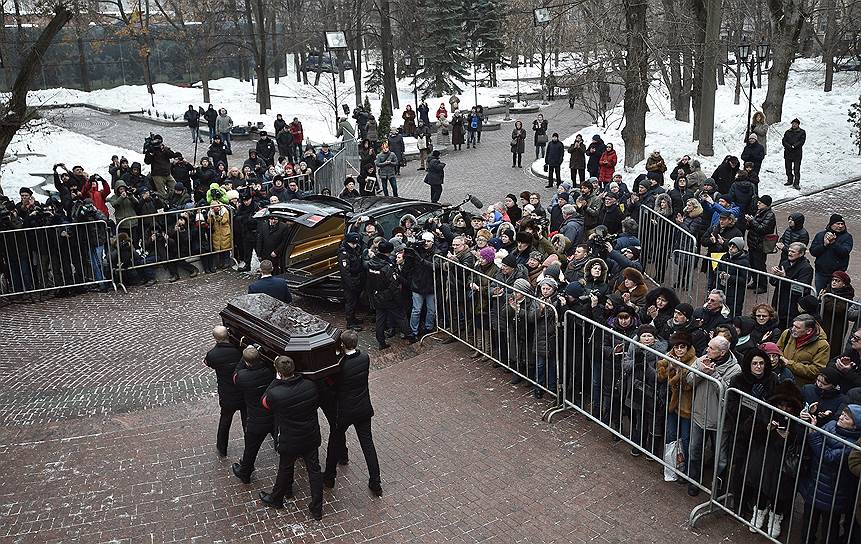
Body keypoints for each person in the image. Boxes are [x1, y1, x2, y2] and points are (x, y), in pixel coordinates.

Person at [259, 356, 324, 520]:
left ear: (279, 372)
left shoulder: (276, 393)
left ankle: (277, 498)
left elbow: (265, 402)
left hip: (290, 439)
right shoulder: (310, 386)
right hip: (310, 436)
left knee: (285, 468)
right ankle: (317, 507)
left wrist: (276, 381)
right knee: (314, 470)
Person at [323, 330, 383, 496]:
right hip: (363, 408)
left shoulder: (340, 366)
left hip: (344, 411)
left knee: (334, 441)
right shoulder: (365, 358)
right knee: (368, 445)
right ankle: (375, 480)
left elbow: (331, 385)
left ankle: (329, 476)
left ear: (342, 345)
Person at [685, 336, 740, 496]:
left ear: (722, 352)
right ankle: (694, 480)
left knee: (721, 458)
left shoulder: (735, 369)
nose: (707, 350)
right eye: (708, 346)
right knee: (695, 450)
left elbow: (728, 395)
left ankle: (718, 488)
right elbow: (689, 380)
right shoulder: (703, 359)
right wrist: (701, 372)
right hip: (699, 414)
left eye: (711, 348)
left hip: (720, 421)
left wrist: (714, 375)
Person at [231, 345, 275, 485]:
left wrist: (243, 359)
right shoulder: (269, 372)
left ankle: (245, 473)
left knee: (251, 448)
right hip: (273, 416)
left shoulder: (243, 377)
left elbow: (235, 375)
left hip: (256, 419)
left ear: (246, 361)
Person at [204, 326, 246, 458]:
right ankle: (249, 447)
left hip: (227, 393)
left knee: (225, 420)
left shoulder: (212, 355)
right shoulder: (239, 350)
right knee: (247, 421)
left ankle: (222, 447)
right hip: (243, 392)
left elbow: (208, 363)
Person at [367, 241, 408, 349]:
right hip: (388, 296)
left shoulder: (372, 263)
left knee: (380, 319)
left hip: (377, 294)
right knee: (400, 316)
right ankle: (411, 336)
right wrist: (399, 300)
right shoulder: (387, 266)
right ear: (389, 252)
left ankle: (381, 342)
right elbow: (393, 285)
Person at [777, 314, 831, 386]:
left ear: (808, 331)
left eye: (797, 328)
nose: (793, 329)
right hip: (781, 378)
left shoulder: (822, 345)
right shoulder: (787, 333)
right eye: (793, 325)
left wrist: (789, 364)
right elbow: (777, 350)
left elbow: (816, 370)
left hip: (800, 385)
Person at [810, 214, 854, 292]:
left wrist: (834, 243)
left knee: (833, 298)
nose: (840, 226)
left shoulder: (847, 237)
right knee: (820, 295)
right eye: (838, 224)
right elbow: (813, 251)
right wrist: (824, 245)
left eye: (842, 224)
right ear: (831, 224)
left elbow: (844, 252)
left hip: (837, 276)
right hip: (821, 273)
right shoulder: (820, 235)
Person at [745, 195, 776, 293]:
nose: (758, 203)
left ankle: (763, 285)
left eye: (760, 202)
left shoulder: (770, 215)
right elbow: (751, 227)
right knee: (752, 264)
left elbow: (762, 229)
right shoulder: (759, 212)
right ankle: (755, 281)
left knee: (760, 265)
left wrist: (752, 221)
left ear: (766, 205)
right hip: (753, 243)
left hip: (761, 245)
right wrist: (749, 222)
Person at [782, 118, 805, 189]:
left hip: (797, 154)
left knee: (796, 169)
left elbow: (802, 141)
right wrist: (788, 146)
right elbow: (784, 141)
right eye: (793, 123)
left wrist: (794, 146)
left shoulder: (802, 132)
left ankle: (796, 183)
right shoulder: (787, 132)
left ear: (798, 124)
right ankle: (790, 180)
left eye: (795, 124)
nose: (794, 125)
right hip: (788, 153)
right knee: (788, 168)